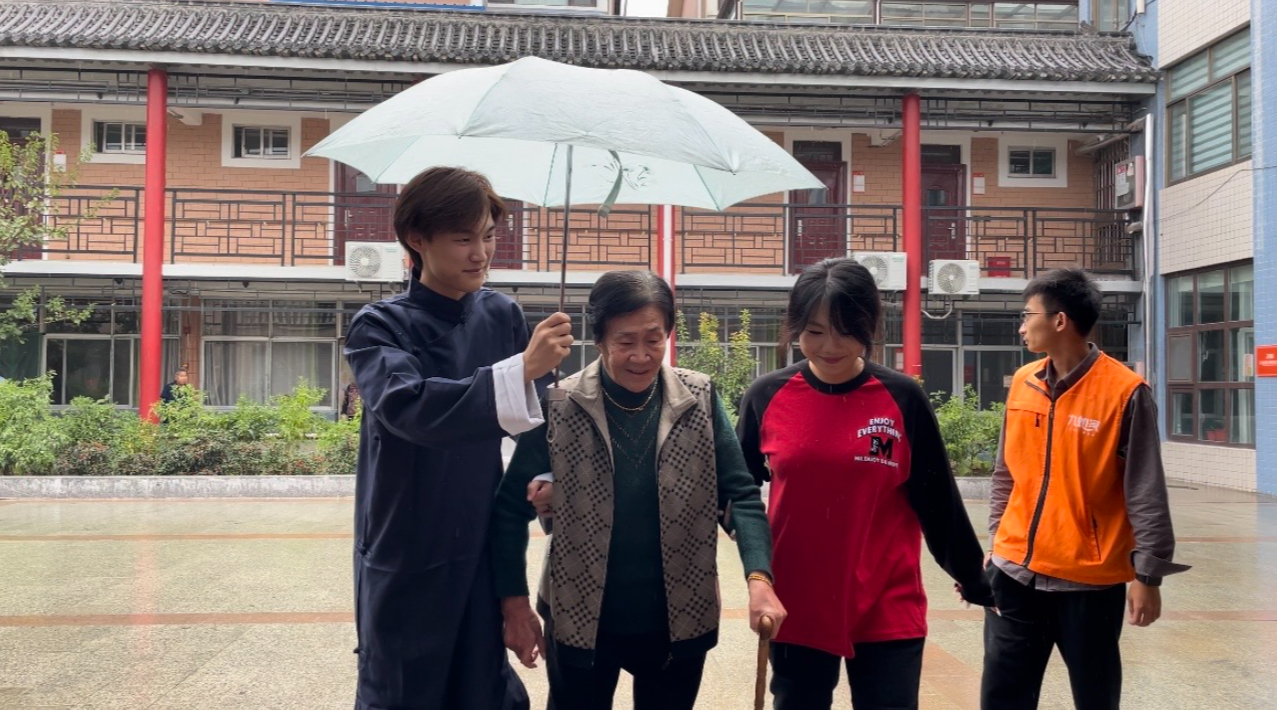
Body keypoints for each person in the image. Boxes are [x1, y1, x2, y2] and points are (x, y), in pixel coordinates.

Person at [489, 270, 785, 710]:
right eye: (625, 342)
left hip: (679, 617)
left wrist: (759, 577)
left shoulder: (698, 398)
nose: (641, 356)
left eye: (654, 339)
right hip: (578, 616)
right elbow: (510, 511)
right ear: (599, 339)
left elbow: (740, 495)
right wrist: (514, 606)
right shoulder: (560, 404)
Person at [344, 166, 574, 710]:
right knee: (405, 689)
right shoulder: (378, 327)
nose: (481, 253)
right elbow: (411, 407)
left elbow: (541, 421)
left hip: (478, 535)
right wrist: (519, 370)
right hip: (406, 544)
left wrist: (546, 476)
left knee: (483, 687)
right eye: (463, 239)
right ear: (417, 239)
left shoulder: (501, 313)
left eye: (489, 236)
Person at [736, 258, 992, 710]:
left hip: (886, 599)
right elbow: (738, 497)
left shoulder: (902, 397)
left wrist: (975, 579)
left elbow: (937, 501)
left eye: (845, 331)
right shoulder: (767, 396)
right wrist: (757, 575)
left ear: (869, 325)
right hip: (797, 600)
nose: (830, 346)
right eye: (814, 331)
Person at [981, 268, 1189, 710]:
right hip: (1014, 573)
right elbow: (1005, 473)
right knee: (1002, 696)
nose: (1021, 327)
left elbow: (1145, 489)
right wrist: (996, 540)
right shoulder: (1024, 382)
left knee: (1095, 697)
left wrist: (1148, 576)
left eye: (1027, 315)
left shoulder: (1125, 392)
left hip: (1089, 583)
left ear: (1059, 321)